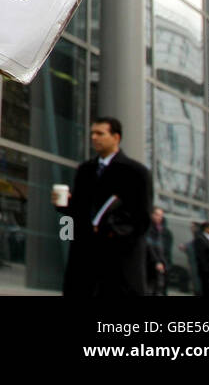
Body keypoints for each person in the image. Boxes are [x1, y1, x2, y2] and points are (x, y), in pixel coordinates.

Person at [54, 116, 152, 296]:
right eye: (92, 133)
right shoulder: (85, 170)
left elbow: (142, 219)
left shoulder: (136, 173)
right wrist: (64, 205)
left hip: (118, 261)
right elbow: (79, 212)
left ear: (116, 138)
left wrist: (113, 230)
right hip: (84, 259)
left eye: (100, 133)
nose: (94, 137)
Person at [145, 205, 173, 295]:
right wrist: (156, 261)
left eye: (161, 215)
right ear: (152, 215)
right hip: (150, 264)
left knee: (159, 288)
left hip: (160, 264)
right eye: (157, 214)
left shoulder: (162, 230)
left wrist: (164, 263)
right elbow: (150, 246)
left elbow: (163, 249)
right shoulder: (149, 228)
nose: (159, 217)